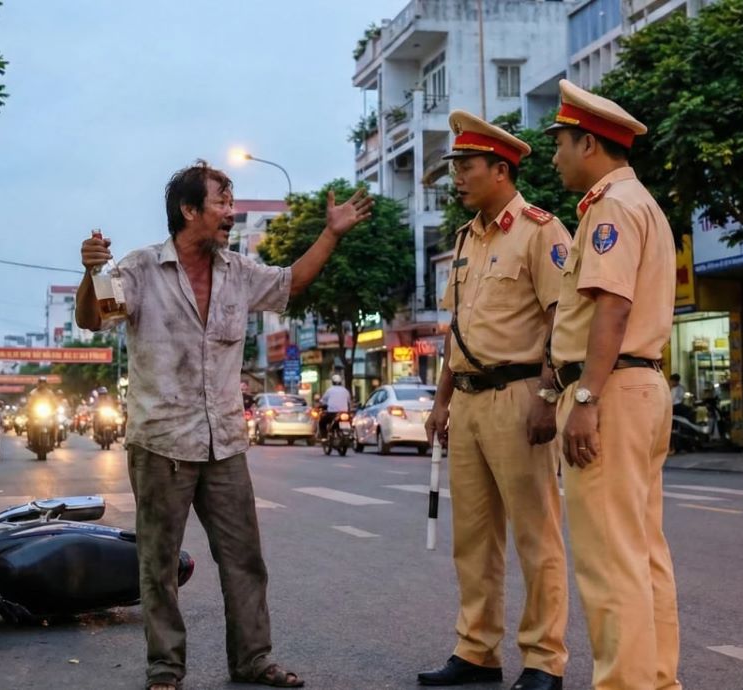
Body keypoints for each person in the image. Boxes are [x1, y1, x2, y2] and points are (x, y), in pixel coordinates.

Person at [75, 160, 373, 690]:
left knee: (244, 559)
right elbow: (94, 316)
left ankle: (253, 660)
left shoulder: (238, 271)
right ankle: (165, 667)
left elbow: (292, 281)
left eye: (232, 205)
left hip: (226, 443)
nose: (231, 215)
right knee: (158, 564)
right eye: (222, 204)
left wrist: (331, 233)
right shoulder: (140, 268)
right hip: (161, 442)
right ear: (190, 211)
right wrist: (90, 271)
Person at [420, 111, 571, 690]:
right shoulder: (465, 240)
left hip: (520, 396)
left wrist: (549, 395)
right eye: (454, 167)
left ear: (500, 169)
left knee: (536, 535)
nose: (455, 177)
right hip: (470, 402)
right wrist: (440, 403)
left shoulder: (540, 231)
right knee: (474, 539)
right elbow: (458, 330)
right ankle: (477, 652)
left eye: (465, 167)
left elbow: (563, 321)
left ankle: (543, 660)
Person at [545, 79, 680, 690]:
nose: (554, 157)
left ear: (590, 143)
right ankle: (654, 679)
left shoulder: (612, 208)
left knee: (609, 559)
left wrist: (586, 400)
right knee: (643, 552)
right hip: (640, 386)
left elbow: (612, 308)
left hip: (612, 389)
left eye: (561, 144)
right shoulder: (641, 203)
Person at [317, 375, 352, 440]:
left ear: (332, 382)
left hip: (332, 413)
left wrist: (320, 404)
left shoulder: (329, 390)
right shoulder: (345, 390)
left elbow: (323, 400)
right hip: (344, 413)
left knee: (321, 422)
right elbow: (349, 401)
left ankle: (324, 437)